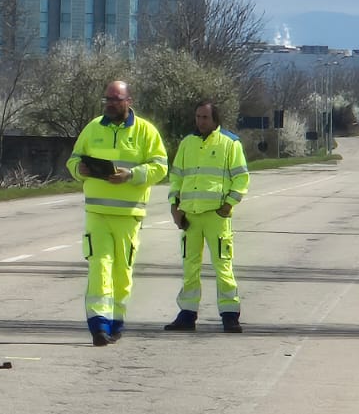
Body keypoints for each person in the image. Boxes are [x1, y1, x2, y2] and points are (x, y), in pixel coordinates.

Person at [67, 80, 168, 346]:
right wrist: (81, 169)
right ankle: (98, 324)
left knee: (122, 272)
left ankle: (116, 322)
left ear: (128, 101)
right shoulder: (93, 128)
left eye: (115, 99)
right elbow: (73, 159)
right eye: (107, 99)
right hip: (97, 212)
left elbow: (160, 167)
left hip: (129, 215)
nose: (110, 104)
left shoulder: (146, 132)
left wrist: (132, 175)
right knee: (100, 266)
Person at [165, 101, 249, 333]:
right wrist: (175, 205)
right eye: (198, 117)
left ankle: (230, 315)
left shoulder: (229, 143)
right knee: (190, 266)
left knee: (223, 265)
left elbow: (241, 177)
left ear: (215, 119)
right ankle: (187, 313)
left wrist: (230, 202)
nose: (200, 121)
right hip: (190, 216)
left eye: (205, 117)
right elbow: (177, 177)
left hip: (216, 216)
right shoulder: (187, 143)